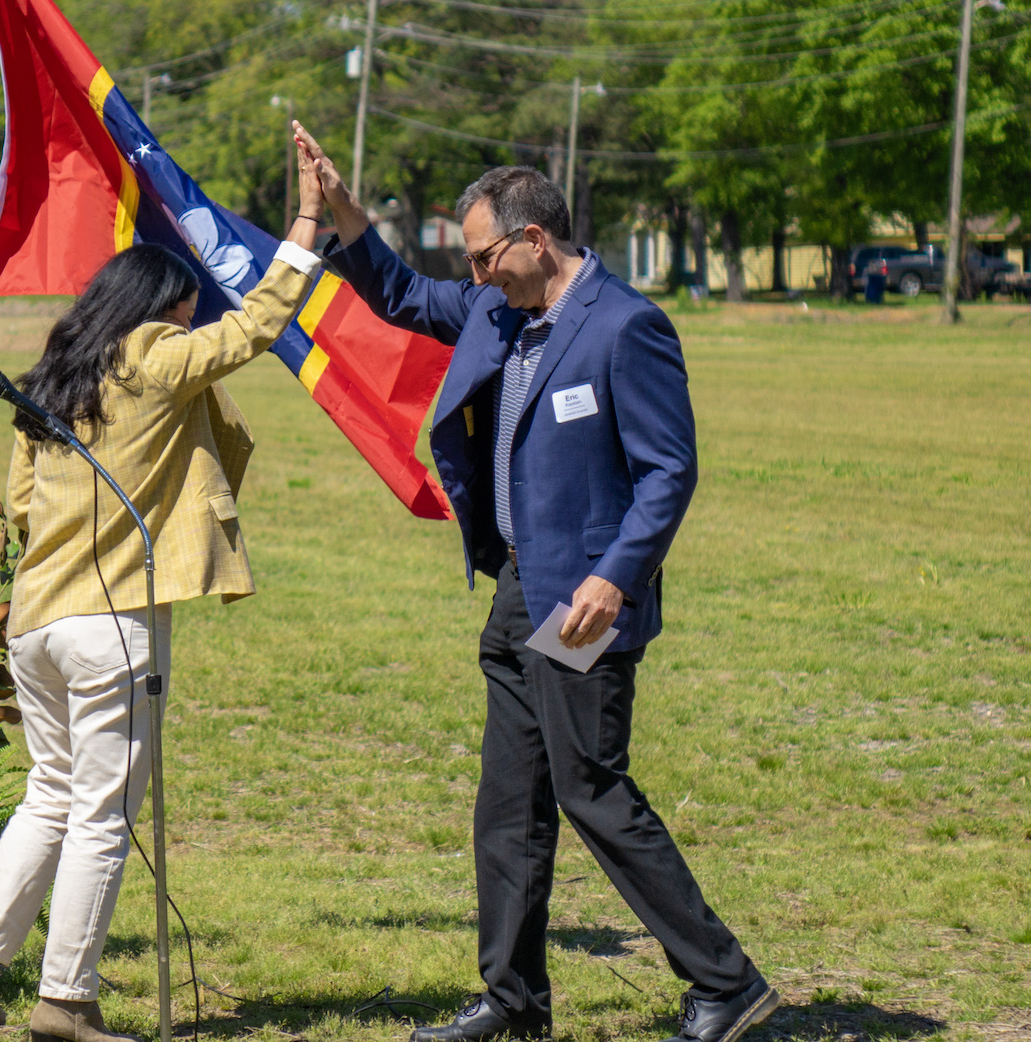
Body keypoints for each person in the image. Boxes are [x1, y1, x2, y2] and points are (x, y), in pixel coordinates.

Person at [291, 123, 778, 1042]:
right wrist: (342, 208)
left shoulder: (626, 326)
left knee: (590, 786)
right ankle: (514, 1004)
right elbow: (397, 291)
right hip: (519, 591)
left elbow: (669, 470)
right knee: (508, 802)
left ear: (535, 240)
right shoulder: (494, 310)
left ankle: (727, 981)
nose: (475, 276)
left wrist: (617, 579)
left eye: (484, 257)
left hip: (582, 601)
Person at [0, 141, 327, 1042]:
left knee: (50, 796)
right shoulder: (155, 356)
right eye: (186, 307)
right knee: (104, 819)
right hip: (113, 628)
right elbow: (259, 325)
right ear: (160, 309)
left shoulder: (54, 375)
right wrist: (305, 226)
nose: (192, 320)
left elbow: (25, 506)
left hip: (34, 626)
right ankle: (66, 1001)